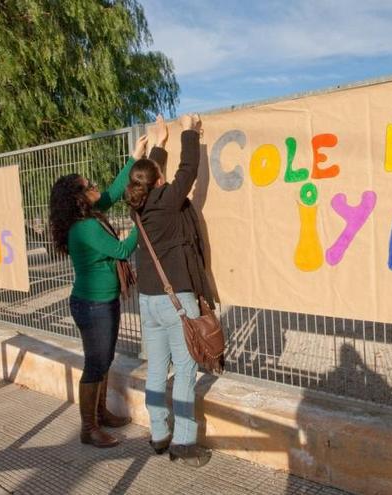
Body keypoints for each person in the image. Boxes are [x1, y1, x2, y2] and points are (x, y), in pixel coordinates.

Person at [49, 118, 167, 449]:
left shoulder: (88, 214)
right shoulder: (83, 227)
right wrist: (141, 218)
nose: (95, 186)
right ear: (78, 198)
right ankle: (89, 427)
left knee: (104, 358)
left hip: (103, 301)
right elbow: (120, 250)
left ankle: (100, 414)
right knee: (96, 362)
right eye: (89, 185)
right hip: (93, 304)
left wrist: (134, 156)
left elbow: (115, 192)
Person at [126, 113, 215, 467]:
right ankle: (184, 443)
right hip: (176, 300)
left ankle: (159, 434)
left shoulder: (138, 204)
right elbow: (188, 170)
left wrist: (157, 146)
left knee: (156, 369)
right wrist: (189, 132)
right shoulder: (166, 199)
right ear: (160, 180)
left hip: (147, 301)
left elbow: (149, 178)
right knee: (185, 370)